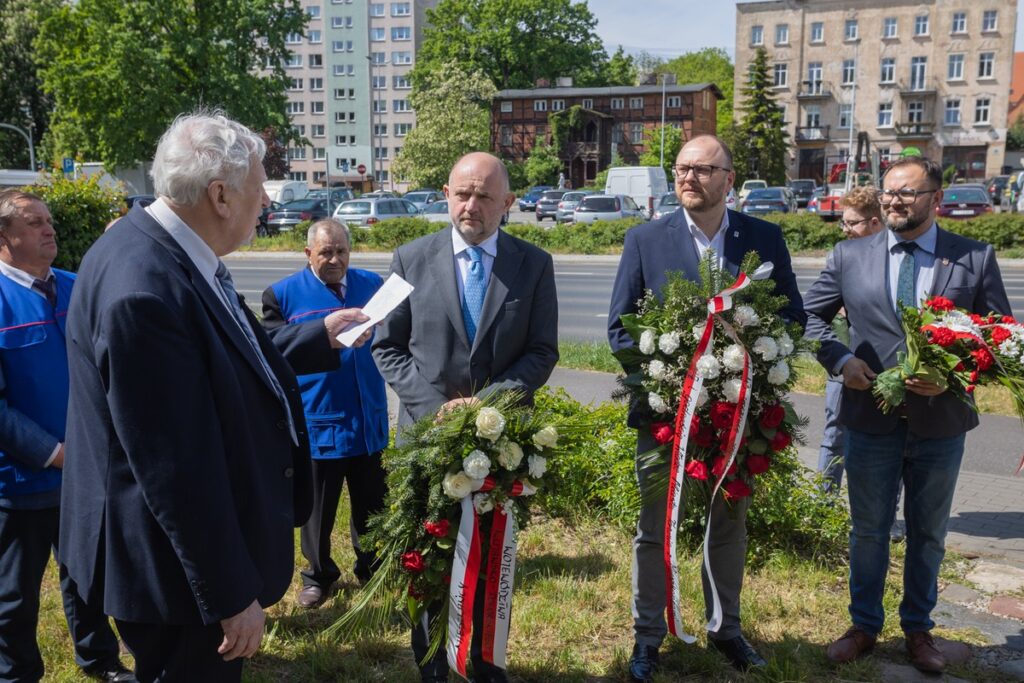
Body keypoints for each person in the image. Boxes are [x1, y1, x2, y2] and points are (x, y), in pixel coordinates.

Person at [60, 111, 320, 682]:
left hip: (179, 563)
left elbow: (231, 355)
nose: (266, 203)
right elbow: (174, 469)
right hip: (177, 578)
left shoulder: (170, 250)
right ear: (220, 195)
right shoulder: (144, 289)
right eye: (259, 188)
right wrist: (228, 593)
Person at [607, 135, 805, 683]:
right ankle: (648, 636)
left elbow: (792, 316)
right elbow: (620, 328)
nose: (688, 177)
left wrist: (754, 362)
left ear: (728, 179)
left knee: (729, 524)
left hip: (739, 415)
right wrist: (669, 381)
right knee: (655, 528)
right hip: (666, 415)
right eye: (681, 169)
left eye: (702, 169)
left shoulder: (762, 238)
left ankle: (726, 629)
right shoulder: (645, 239)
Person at [803, 156, 1011, 674]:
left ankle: (918, 630)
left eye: (907, 193)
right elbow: (809, 318)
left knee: (929, 534)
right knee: (868, 531)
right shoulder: (850, 254)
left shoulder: (973, 257)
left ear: (935, 199)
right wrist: (841, 360)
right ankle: (863, 626)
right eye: (889, 192)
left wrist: (953, 376)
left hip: (940, 424)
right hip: (869, 419)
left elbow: (998, 335)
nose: (894, 201)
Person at [373, 151, 558, 683]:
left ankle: (484, 660)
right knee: (428, 556)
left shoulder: (533, 263)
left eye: (484, 196)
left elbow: (542, 351)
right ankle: (432, 663)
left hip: (500, 442)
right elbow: (387, 347)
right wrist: (439, 410)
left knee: (491, 556)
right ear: (445, 196)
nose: (471, 205)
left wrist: (484, 406)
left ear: (508, 202)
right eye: (462, 194)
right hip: (425, 439)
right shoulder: (409, 259)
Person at [0, 191, 134, 682]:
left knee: (88, 575)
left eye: (49, 220)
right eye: (34, 222)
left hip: (87, 473)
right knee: (14, 594)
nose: (49, 229)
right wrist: (54, 453)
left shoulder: (79, 288)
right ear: (4, 236)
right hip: (21, 482)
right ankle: (15, 674)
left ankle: (100, 660)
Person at [262, 219, 387, 609]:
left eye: (341, 251)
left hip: (368, 417)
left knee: (372, 503)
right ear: (308, 253)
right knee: (317, 510)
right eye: (325, 252)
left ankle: (372, 566)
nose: (335, 260)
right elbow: (272, 352)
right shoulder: (283, 295)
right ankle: (318, 576)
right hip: (319, 420)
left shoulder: (372, 284)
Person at [817, 186, 885, 492]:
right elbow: (819, 308)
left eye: (852, 223)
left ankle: (887, 509)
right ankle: (824, 502)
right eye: (843, 222)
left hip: (885, 363)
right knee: (835, 431)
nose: (845, 229)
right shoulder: (842, 255)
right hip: (845, 356)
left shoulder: (894, 258)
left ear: (875, 222)